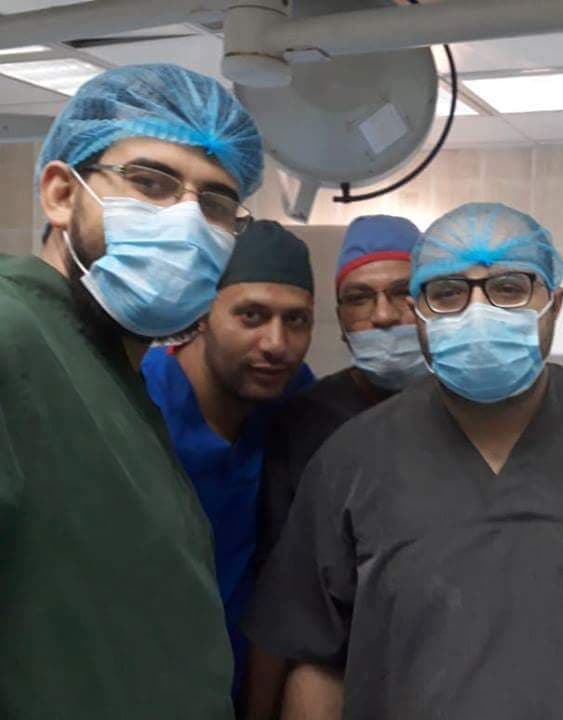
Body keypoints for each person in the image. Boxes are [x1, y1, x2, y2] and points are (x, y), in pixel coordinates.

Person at [245, 202, 563, 720]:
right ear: (418, 311)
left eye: (509, 288)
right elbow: (316, 662)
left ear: (555, 304)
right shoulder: (351, 458)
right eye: (447, 293)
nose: (478, 312)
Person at [0, 64, 263, 719]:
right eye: (150, 183)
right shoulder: (13, 337)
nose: (187, 221)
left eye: (215, 203)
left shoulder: (109, 372)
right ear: (61, 193)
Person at [245, 213, 426, 719]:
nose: (384, 316)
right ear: (341, 319)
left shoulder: (470, 412)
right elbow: (281, 592)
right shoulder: (307, 420)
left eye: (403, 293)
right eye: (359, 298)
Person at [141, 220, 316, 709]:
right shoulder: (136, 402)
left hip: (239, 684)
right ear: (201, 313)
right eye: (251, 316)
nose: (276, 343)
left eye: (296, 320)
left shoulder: (293, 398)